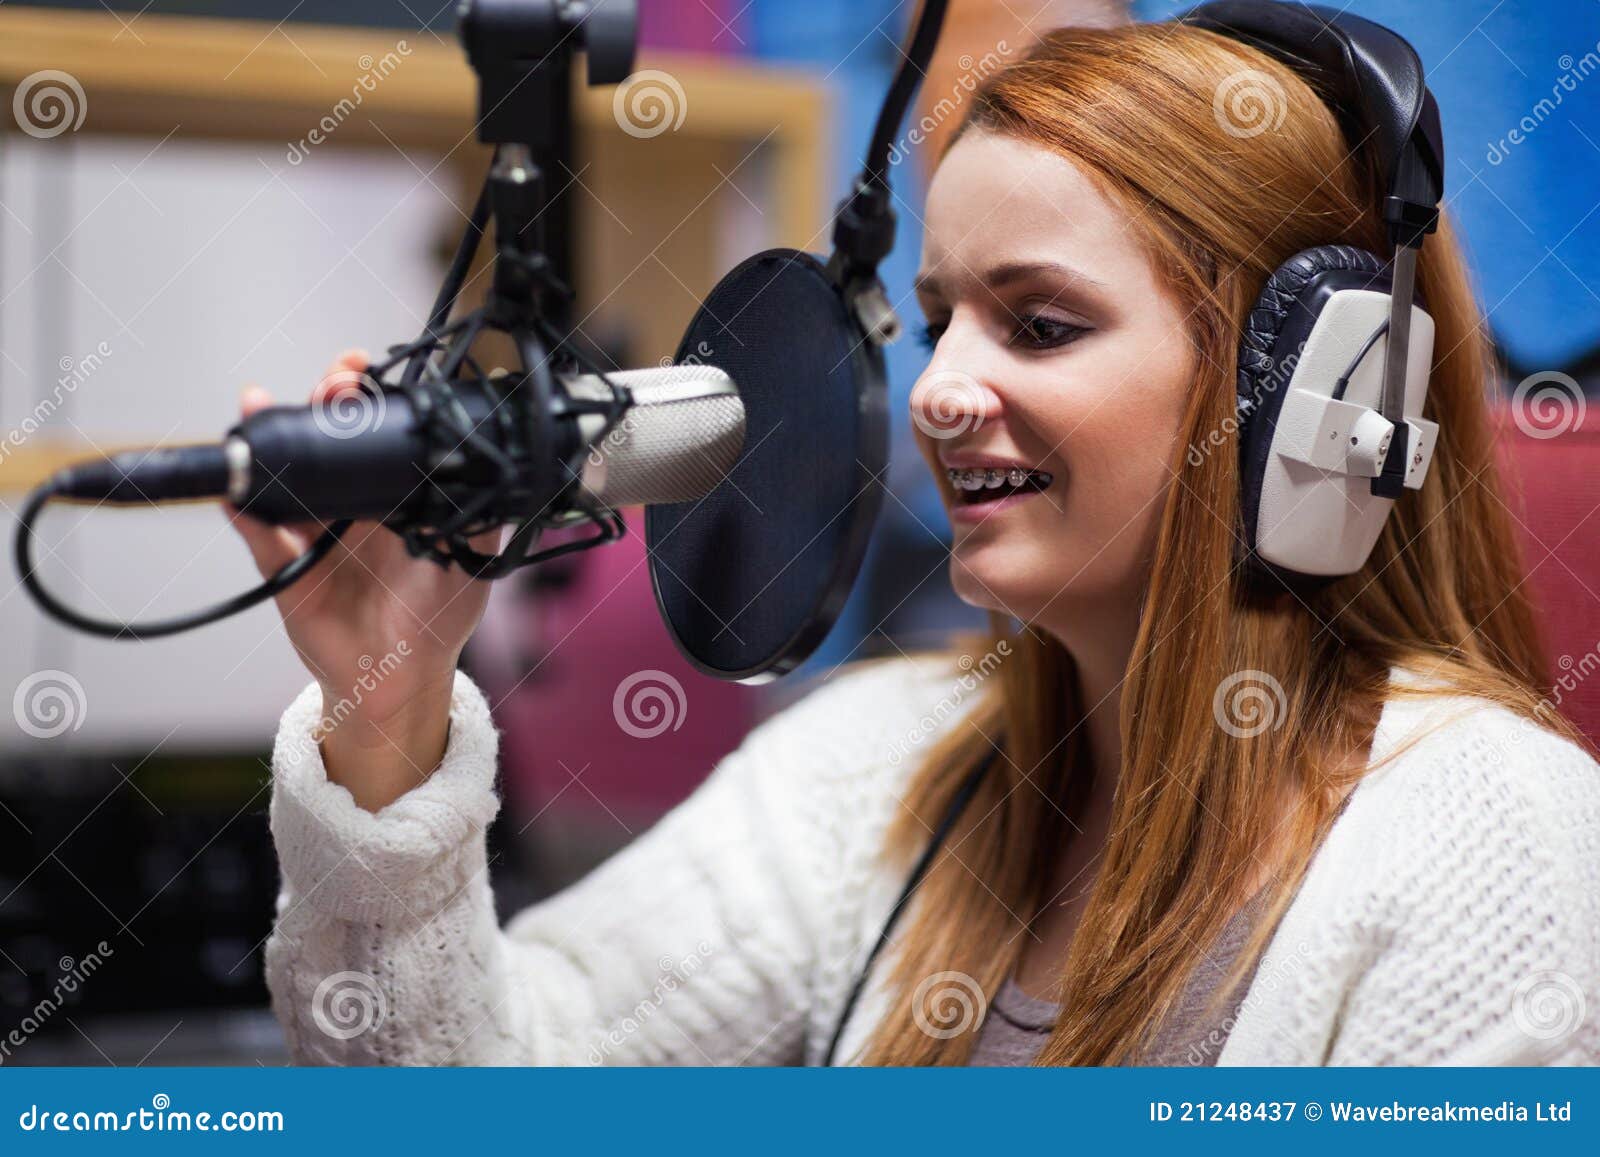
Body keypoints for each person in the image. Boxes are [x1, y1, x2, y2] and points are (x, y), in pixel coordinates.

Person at [235, 22, 1600, 1066]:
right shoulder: (873, 764)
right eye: (940, 316)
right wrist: (391, 708)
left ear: (1318, 395)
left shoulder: (1500, 843)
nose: (937, 390)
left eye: (1041, 323)